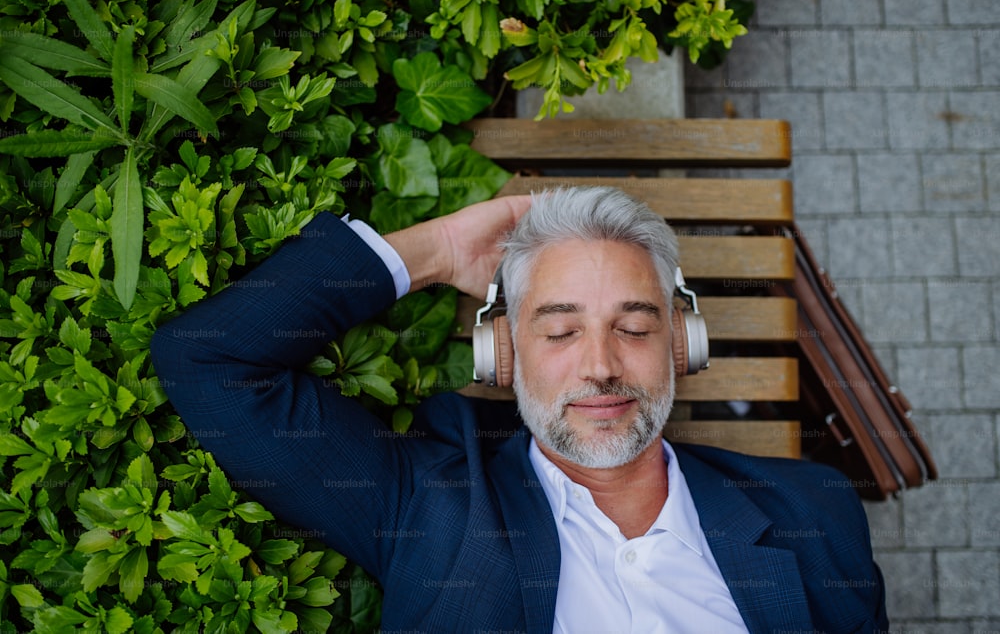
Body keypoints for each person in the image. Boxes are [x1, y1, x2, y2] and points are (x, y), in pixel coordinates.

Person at [151, 186, 888, 634]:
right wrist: (435, 250)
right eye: (561, 330)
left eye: (634, 326)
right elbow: (210, 360)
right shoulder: (426, 501)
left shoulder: (813, 508)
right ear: (501, 356)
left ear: (682, 343)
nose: (600, 364)